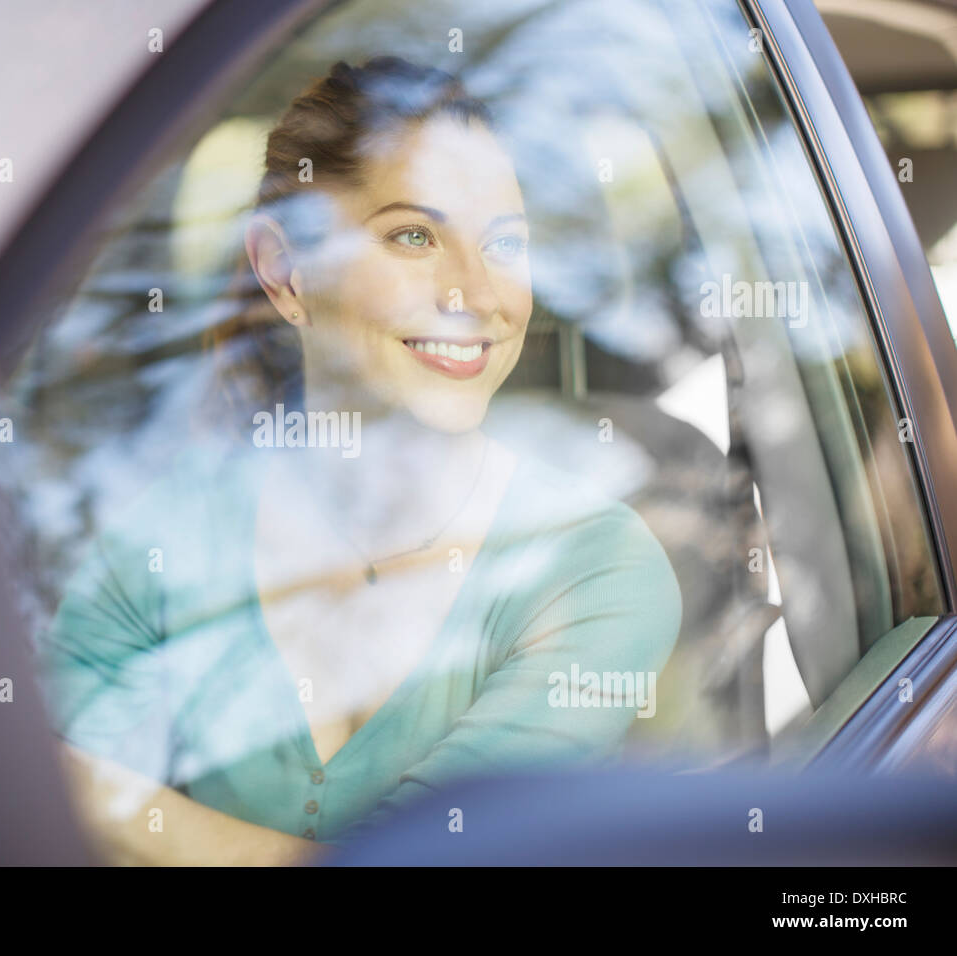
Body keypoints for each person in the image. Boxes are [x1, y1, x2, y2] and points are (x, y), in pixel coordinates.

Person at [38, 57, 682, 865]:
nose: (477, 293)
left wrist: (115, 804)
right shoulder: (161, 542)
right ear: (284, 270)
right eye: (415, 235)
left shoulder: (595, 568)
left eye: (507, 243)